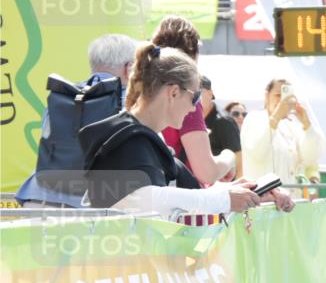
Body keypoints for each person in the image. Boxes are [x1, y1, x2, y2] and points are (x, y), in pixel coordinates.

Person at [78, 44, 293, 219]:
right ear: (173, 92)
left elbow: (190, 193)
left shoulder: (146, 138)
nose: (194, 108)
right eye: (195, 98)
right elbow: (145, 200)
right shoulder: (128, 140)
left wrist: (251, 193)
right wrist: (226, 199)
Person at [16, 33, 136, 206]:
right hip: (91, 206)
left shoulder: (63, 95)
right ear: (129, 68)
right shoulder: (132, 104)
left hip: (38, 196)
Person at [152, 15, 236, 184]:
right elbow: (206, 172)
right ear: (193, 53)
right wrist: (230, 158)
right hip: (181, 202)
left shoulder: (144, 89)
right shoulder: (186, 96)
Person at [241, 78, 323, 195]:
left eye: (286, 96)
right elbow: (258, 151)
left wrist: (307, 124)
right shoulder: (254, 118)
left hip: (292, 202)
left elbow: (310, 158)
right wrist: (276, 116)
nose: (281, 101)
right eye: (278, 95)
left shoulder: (292, 126)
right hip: (263, 201)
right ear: (266, 96)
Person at [200, 76, 242, 179]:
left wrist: (238, 185)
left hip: (223, 184)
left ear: (210, 93)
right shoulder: (189, 117)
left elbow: (238, 158)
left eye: (198, 92)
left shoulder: (224, 121)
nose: (193, 96)